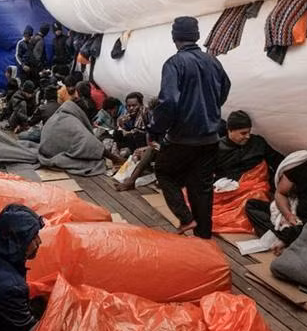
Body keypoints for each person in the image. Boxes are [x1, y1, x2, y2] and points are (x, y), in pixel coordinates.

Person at [149, 16, 232, 238]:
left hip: (182, 138)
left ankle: (186, 219)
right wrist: (210, 109)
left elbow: (169, 101)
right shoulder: (213, 61)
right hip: (210, 138)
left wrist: (156, 129)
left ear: (174, 37)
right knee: (201, 189)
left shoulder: (174, 64)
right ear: (196, 36)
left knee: (164, 172)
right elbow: (225, 88)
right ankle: (203, 239)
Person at [216, 110, 283, 185]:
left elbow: (277, 160)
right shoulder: (217, 148)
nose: (248, 136)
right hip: (229, 189)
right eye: (243, 133)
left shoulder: (258, 142)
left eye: (249, 132)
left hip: (259, 185)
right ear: (230, 131)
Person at [115, 98, 161, 192]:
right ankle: (131, 175)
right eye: (129, 106)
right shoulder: (149, 119)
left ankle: (131, 180)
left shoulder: (170, 123)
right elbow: (151, 140)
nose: (131, 108)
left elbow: (168, 144)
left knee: (148, 148)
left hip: (171, 152)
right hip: (156, 147)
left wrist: (148, 147)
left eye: (134, 105)